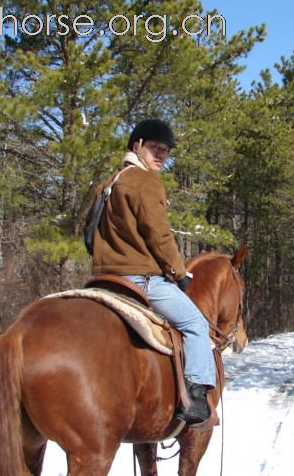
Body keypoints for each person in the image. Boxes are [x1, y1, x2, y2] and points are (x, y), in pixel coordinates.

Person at [87, 118, 215, 424]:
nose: (160, 155)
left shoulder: (108, 184)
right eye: (154, 148)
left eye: (165, 151)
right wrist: (180, 273)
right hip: (140, 281)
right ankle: (195, 402)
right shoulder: (145, 182)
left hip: (104, 279)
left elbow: (88, 235)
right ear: (136, 146)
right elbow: (159, 235)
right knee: (197, 325)